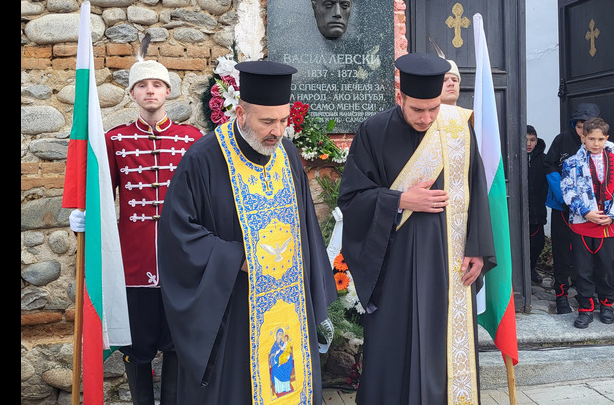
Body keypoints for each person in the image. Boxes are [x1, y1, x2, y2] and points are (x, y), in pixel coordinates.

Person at [157, 60, 337, 405]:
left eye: (284, 120)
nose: (277, 130)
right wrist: (236, 257)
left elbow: (305, 226)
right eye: (267, 121)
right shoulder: (203, 160)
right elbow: (178, 236)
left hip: (288, 303)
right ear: (240, 113)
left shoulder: (285, 152)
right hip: (232, 305)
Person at [338, 52, 496, 405]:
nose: (427, 118)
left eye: (434, 109)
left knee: (442, 345)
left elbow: (476, 189)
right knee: (395, 345)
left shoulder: (458, 127)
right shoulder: (373, 131)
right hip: (393, 262)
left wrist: (478, 247)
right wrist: (399, 200)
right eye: (417, 110)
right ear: (400, 98)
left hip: (449, 260)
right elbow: (351, 198)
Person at [69, 55, 203, 405]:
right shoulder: (117, 140)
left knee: (176, 346)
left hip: (180, 262)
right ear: (131, 93)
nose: (150, 91)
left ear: (168, 91)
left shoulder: (192, 139)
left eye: (156, 84)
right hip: (132, 263)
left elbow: (204, 201)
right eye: (142, 85)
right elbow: (100, 194)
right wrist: (83, 219)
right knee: (136, 347)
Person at [560, 117, 614, 329]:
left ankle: (607, 305)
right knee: (583, 269)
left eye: (600, 139)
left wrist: (613, 215)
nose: (596, 143)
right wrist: (585, 212)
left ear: (606, 138)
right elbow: (567, 190)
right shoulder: (571, 163)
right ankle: (586, 308)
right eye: (591, 138)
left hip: (607, 225)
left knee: (607, 267)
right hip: (582, 223)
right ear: (583, 137)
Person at [543, 102, 600, 314]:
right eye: (579, 126)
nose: (582, 131)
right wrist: (562, 195)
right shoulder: (563, 139)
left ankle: (587, 295)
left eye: (587, 126)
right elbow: (549, 164)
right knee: (562, 252)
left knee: (585, 253)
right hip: (563, 208)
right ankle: (561, 295)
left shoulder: (600, 145)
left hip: (590, 212)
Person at [526, 125, 548, 285]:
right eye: (525, 140)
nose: (529, 143)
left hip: (537, 209)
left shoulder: (543, 159)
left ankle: (532, 267)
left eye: (532, 140)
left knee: (537, 243)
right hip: (518, 210)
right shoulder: (511, 157)